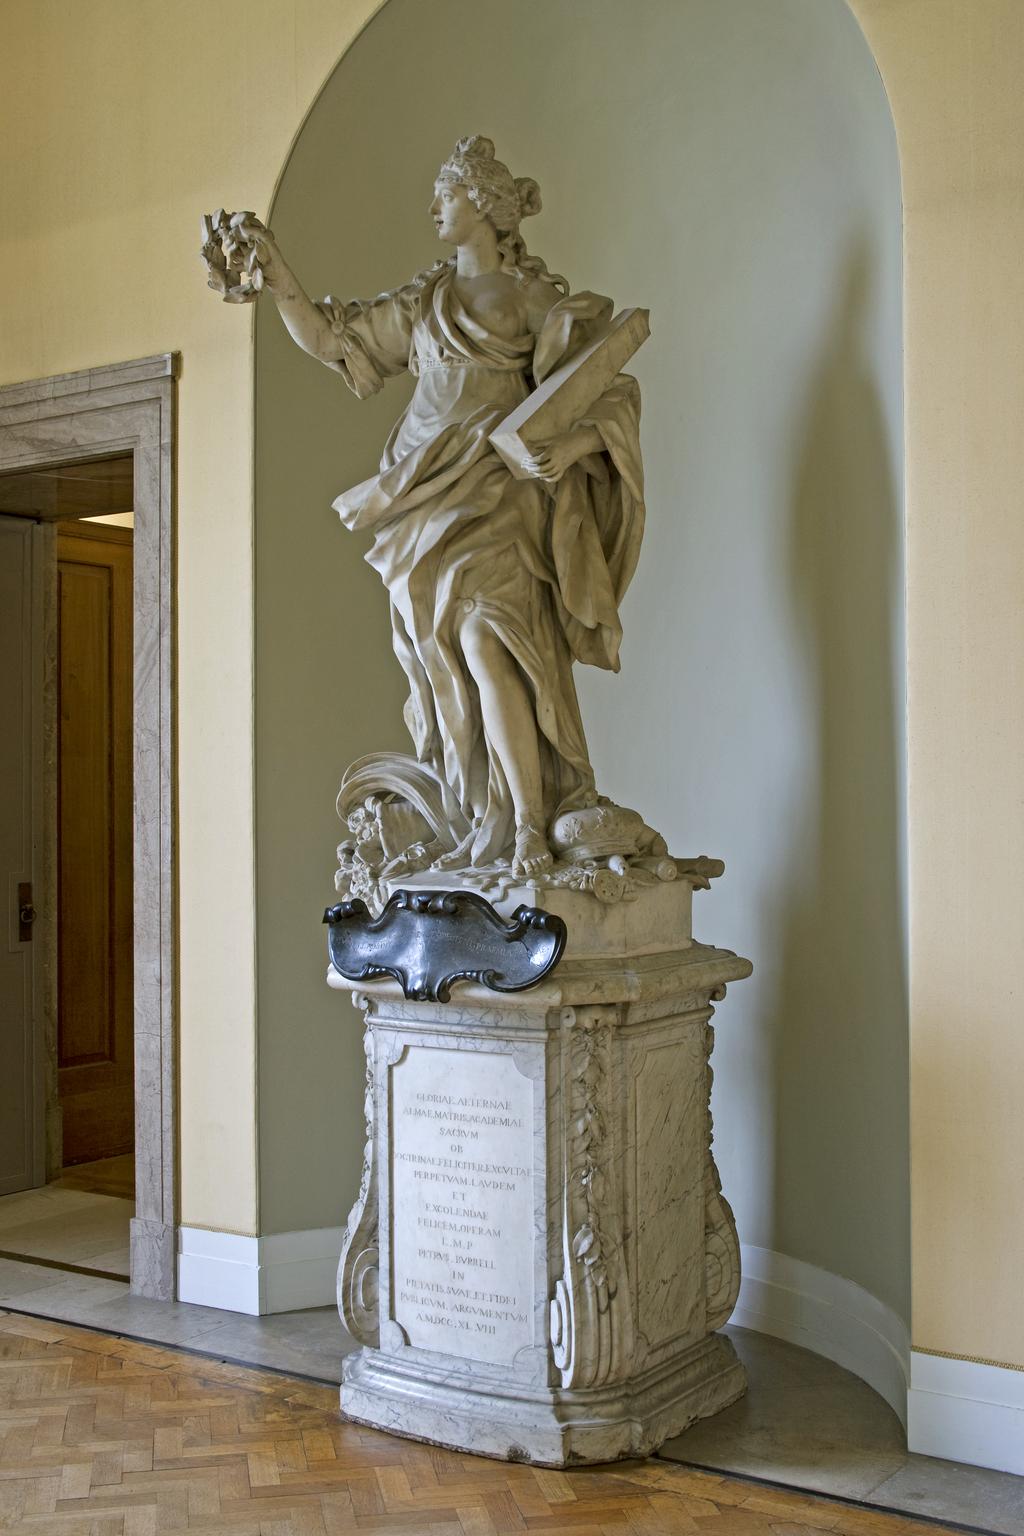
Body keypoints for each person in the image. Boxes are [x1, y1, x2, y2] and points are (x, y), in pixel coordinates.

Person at [237, 135, 645, 880]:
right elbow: (330, 339)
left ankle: (528, 827)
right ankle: (479, 820)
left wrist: (578, 445)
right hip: (419, 497)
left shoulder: (536, 300)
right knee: (445, 661)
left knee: (497, 647)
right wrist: (275, 271)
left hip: (498, 490)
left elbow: (605, 392)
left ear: (484, 204)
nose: (433, 207)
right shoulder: (423, 302)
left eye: (447, 194)